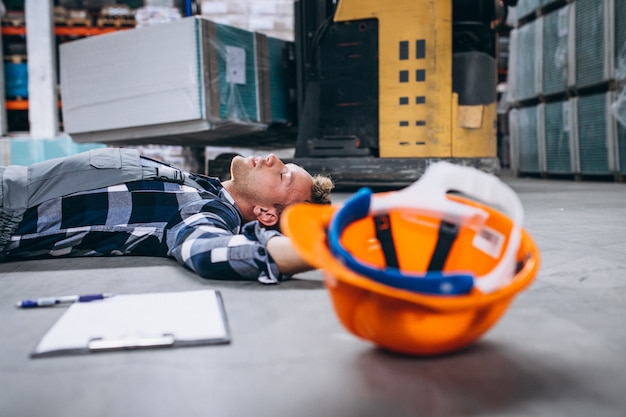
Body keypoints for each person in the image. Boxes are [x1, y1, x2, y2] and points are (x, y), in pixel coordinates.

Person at [0, 148, 334, 284]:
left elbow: (209, 251)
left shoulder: (202, 211)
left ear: (265, 214)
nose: (275, 159)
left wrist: (327, 249)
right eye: (286, 165)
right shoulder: (199, 188)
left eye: (283, 176)